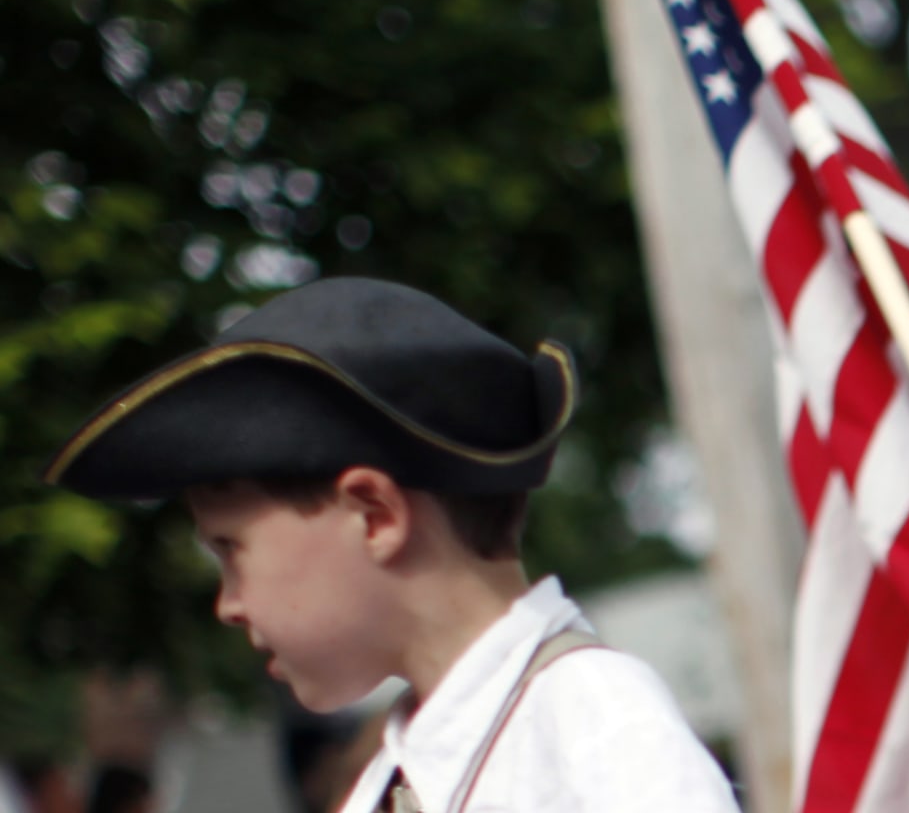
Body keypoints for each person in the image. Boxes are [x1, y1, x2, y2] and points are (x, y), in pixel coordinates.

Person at [42, 277, 740, 813]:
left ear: (373, 514)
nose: (227, 604)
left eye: (232, 549)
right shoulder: (398, 769)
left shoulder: (595, 723)